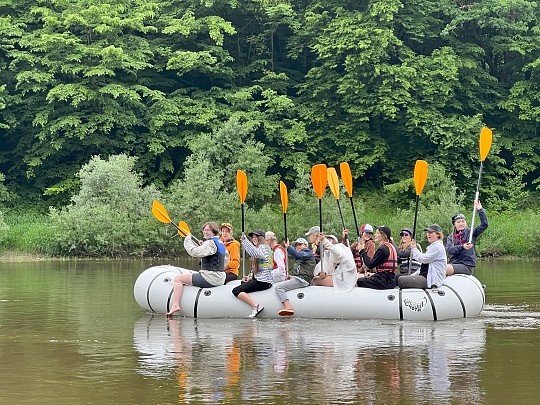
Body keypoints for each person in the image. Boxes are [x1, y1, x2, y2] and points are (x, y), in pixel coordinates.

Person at [166, 222, 227, 317]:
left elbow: (193, 252)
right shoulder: (220, 243)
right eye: (204, 230)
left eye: (208, 230)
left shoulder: (210, 243)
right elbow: (224, 260)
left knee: (178, 279)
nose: (205, 232)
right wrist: (203, 246)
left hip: (210, 278)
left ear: (213, 231)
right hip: (221, 278)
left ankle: (175, 305)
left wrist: (187, 239)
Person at [231, 230, 274, 318]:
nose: (254, 239)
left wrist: (245, 241)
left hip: (264, 282)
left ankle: (255, 306)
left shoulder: (264, 248)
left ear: (261, 238)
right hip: (261, 280)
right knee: (243, 283)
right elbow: (258, 268)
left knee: (236, 290)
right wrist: (250, 276)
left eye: (256, 237)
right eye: (253, 237)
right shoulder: (261, 248)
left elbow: (255, 253)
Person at [274, 237, 316, 316]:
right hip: (300, 278)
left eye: (300, 244)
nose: (298, 246)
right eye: (296, 245)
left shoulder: (307, 252)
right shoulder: (302, 257)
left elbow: (298, 256)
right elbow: (301, 271)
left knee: (278, 288)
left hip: (303, 280)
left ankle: (288, 307)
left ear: (306, 245)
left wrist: (289, 247)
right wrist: (292, 277)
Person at [397, 224, 447, 289]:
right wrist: (412, 276)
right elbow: (423, 267)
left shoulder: (438, 247)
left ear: (438, 234)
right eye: (428, 232)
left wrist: (414, 248)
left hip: (432, 280)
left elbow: (423, 259)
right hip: (425, 276)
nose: (428, 234)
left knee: (401, 280)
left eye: (431, 232)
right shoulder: (432, 247)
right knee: (400, 278)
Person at [446, 200, 488, 275]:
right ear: (454, 224)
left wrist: (480, 209)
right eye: (458, 222)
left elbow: (484, 224)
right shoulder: (451, 237)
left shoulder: (471, 232)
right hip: (454, 264)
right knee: (439, 267)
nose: (461, 224)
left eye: (463, 221)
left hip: (466, 265)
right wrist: (462, 247)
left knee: (444, 268)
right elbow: (449, 250)